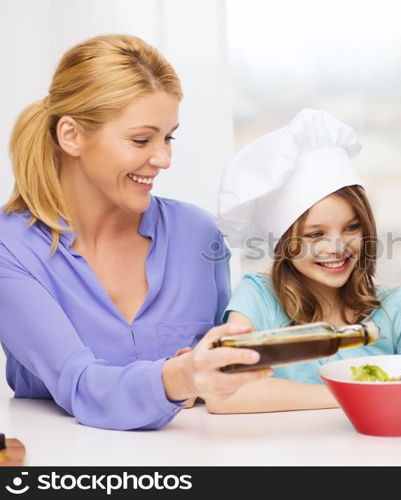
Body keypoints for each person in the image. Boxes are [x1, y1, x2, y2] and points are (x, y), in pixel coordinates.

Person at [0, 35, 271, 431]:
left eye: (168, 137)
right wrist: (181, 375)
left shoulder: (198, 236)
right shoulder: (12, 248)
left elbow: (224, 374)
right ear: (71, 135)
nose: (163, 159)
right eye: (141, 139)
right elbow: (79, 384)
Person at [209, 109, 401, 413]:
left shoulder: (399, 308)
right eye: (316, 234)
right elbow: (223, 392)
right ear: (284, 243)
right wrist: (353, 397)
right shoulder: (258, 298)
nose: (337, 247)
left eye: (352, 227)